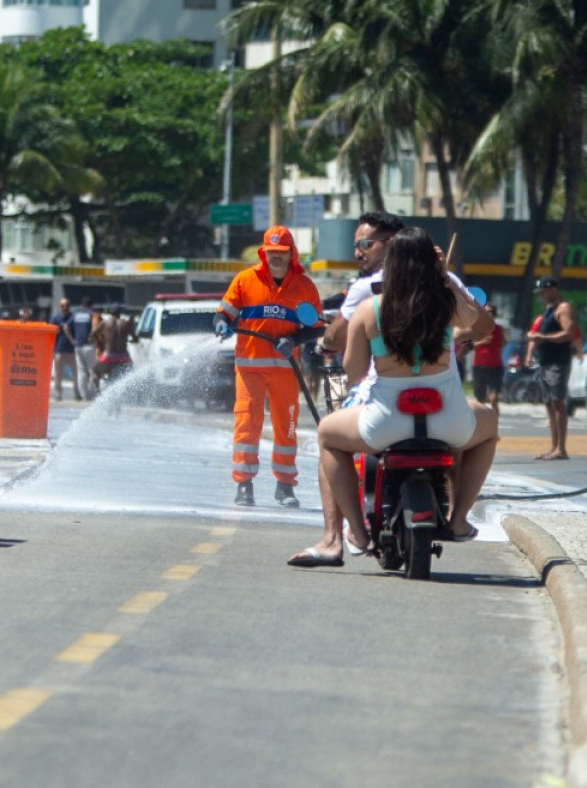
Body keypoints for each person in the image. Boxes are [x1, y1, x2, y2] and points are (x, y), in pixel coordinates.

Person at [299, 228, 499, 565]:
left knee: (328, 436)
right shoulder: (446, 303)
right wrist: (447, 281)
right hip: (449, 424)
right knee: (490, 424)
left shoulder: (369, 309)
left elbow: (355, 371)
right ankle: (460, 518)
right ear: (429, 264)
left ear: (391, 265)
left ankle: (358, 534)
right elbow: (483, 328)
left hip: (384, 425)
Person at [216, 225, 322, 507]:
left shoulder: (304, 286)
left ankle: (285, 486)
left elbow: (317, 327)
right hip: (249, 367)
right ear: (264, 253)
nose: (276, 256)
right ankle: (244, 484)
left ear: (291, 254)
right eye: (271, 252)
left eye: (282, 252)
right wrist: (221, 325)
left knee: (286, 427)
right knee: (247, 424)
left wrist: (293, 339)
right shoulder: (244, 281)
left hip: (286, 369)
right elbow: (224, 313)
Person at [530, 276, 579, 461]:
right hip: (545, 361)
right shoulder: (548, 309)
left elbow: (568, 333)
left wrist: (543, 337)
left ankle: (561, 448)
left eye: (544, 291)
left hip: (558, 362)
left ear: (553, 289)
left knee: (558, 403)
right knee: (549, 404)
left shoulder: (563, 308)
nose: (542, 295)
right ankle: (553, 447)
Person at [470, 304, 506, 413]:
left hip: (495, 367)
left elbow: (502, 343)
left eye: (490, 313)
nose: (488, 315)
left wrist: (502, 340)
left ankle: (495, 423)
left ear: (494, 315)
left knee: (493, 398)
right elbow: (470, 346)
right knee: (480, 399)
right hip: (479, 366)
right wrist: (483, 342)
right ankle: (482, 425)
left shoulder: (499, 329)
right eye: (486, 312)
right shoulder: (477, 329)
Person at [91, 308, 134, 389]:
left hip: (108, 356)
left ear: (110, 313)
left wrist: (100, 340)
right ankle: (131, 393)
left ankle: (98, 394)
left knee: (95, 372)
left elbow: (93, 334)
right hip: (123, 356)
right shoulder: (125, 323)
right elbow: (134, 337)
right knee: (132, 373)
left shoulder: (105, 323)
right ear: (119, 313)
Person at [49, 297, 83, 401]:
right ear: (60, 307)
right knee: (58, 374)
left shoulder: (73, 318)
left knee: (76, 374)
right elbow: (51, 333)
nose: (65, 307)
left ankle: (77, 393)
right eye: (63, 305)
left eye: (67, 305)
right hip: (59, 350)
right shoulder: (56, 319)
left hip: (72, 351)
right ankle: (58, 393)